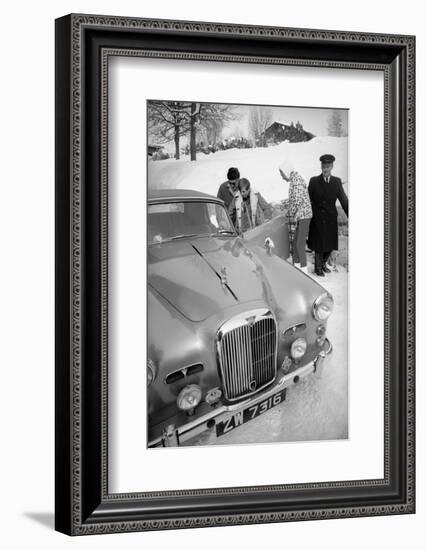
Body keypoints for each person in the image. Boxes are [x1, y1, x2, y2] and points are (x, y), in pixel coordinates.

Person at [307, 154, 348, 277]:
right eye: (323, 166)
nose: (325, 169)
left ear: (332, 166)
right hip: (317, 218)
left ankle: (323, 263)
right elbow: (307, 199)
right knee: (319, 244)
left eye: (328, 166)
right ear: (321, 166)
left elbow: (344, 200)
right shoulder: (313, 181)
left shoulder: (336, 182)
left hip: (330, 218)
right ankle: (318, 267)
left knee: (330, 244)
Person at [279, 160, 312, 273]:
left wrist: (290, 212)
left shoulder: (296, 181)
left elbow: (296, 201)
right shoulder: (294, 180)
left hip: (304, 216)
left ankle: (304, 271)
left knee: (299, 244)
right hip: (301, 216)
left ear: (287, 172)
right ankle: (297, 268)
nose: (282, 178)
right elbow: (294, 200)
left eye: (282, 174)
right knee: (295, 243)